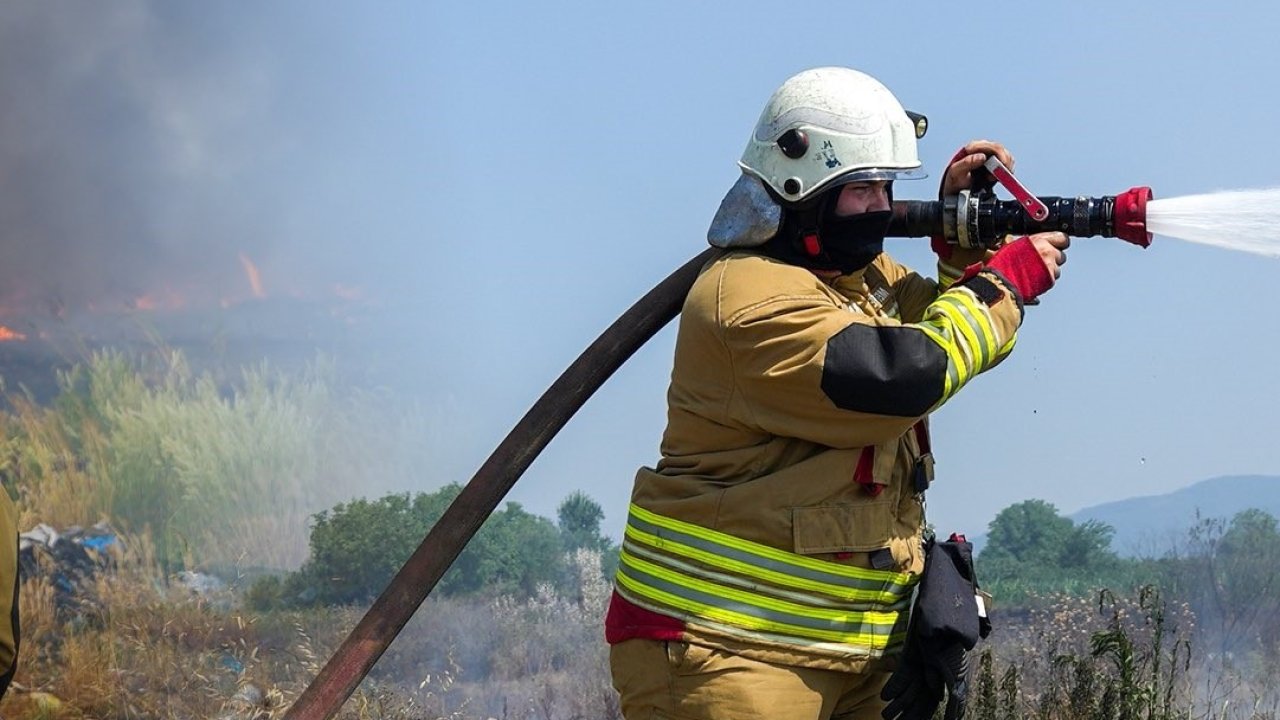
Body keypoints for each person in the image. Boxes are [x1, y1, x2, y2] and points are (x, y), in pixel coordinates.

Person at [605, 66, 1069, 720]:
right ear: (803, 190)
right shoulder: (745, 297)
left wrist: (961, 255)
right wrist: (1002, 287)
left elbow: (940, 324)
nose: (880, 209)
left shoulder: (858, 278)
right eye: (862, 191)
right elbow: (909, 373)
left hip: (846, 650)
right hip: (727, 649)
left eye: (887, 188)